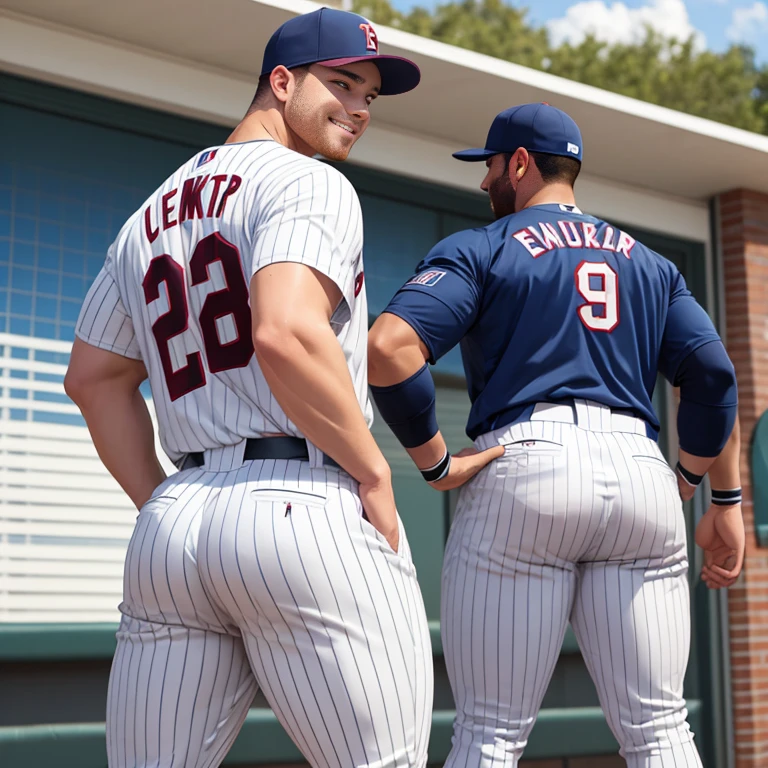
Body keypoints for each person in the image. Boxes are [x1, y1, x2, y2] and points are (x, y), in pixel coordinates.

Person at [64, 8, 469, 767]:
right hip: (302, 502)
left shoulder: (147, 214)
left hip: (176, 524)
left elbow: (91, 379)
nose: (357, 109)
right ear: (281, 82)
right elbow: (284, 331)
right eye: (342, 84)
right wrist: (375, 469)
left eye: (370, 97)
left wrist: (161, 501)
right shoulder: (309, 181)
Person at [366, 102, 745, 767]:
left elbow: (390, 348)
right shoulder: (652, 264)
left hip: (527, 464)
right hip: (638, 470)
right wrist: (710, 493)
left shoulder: (484, 245)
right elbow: (712, 375)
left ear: (518, 163)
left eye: (489, 166)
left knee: (491, 735)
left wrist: (437, 465)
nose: (483, 183)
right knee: (661, 730)